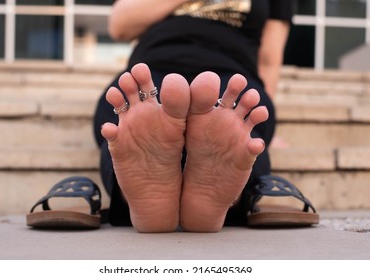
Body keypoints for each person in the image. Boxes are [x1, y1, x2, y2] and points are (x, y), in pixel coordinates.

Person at [93, 0, 318, 233]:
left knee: (238, 131)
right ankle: (215, 200)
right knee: (131, 125)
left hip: (232, 74)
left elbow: (269, 58)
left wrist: (264, 129)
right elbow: (120, 25)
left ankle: (201, 198)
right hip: (154, 69)